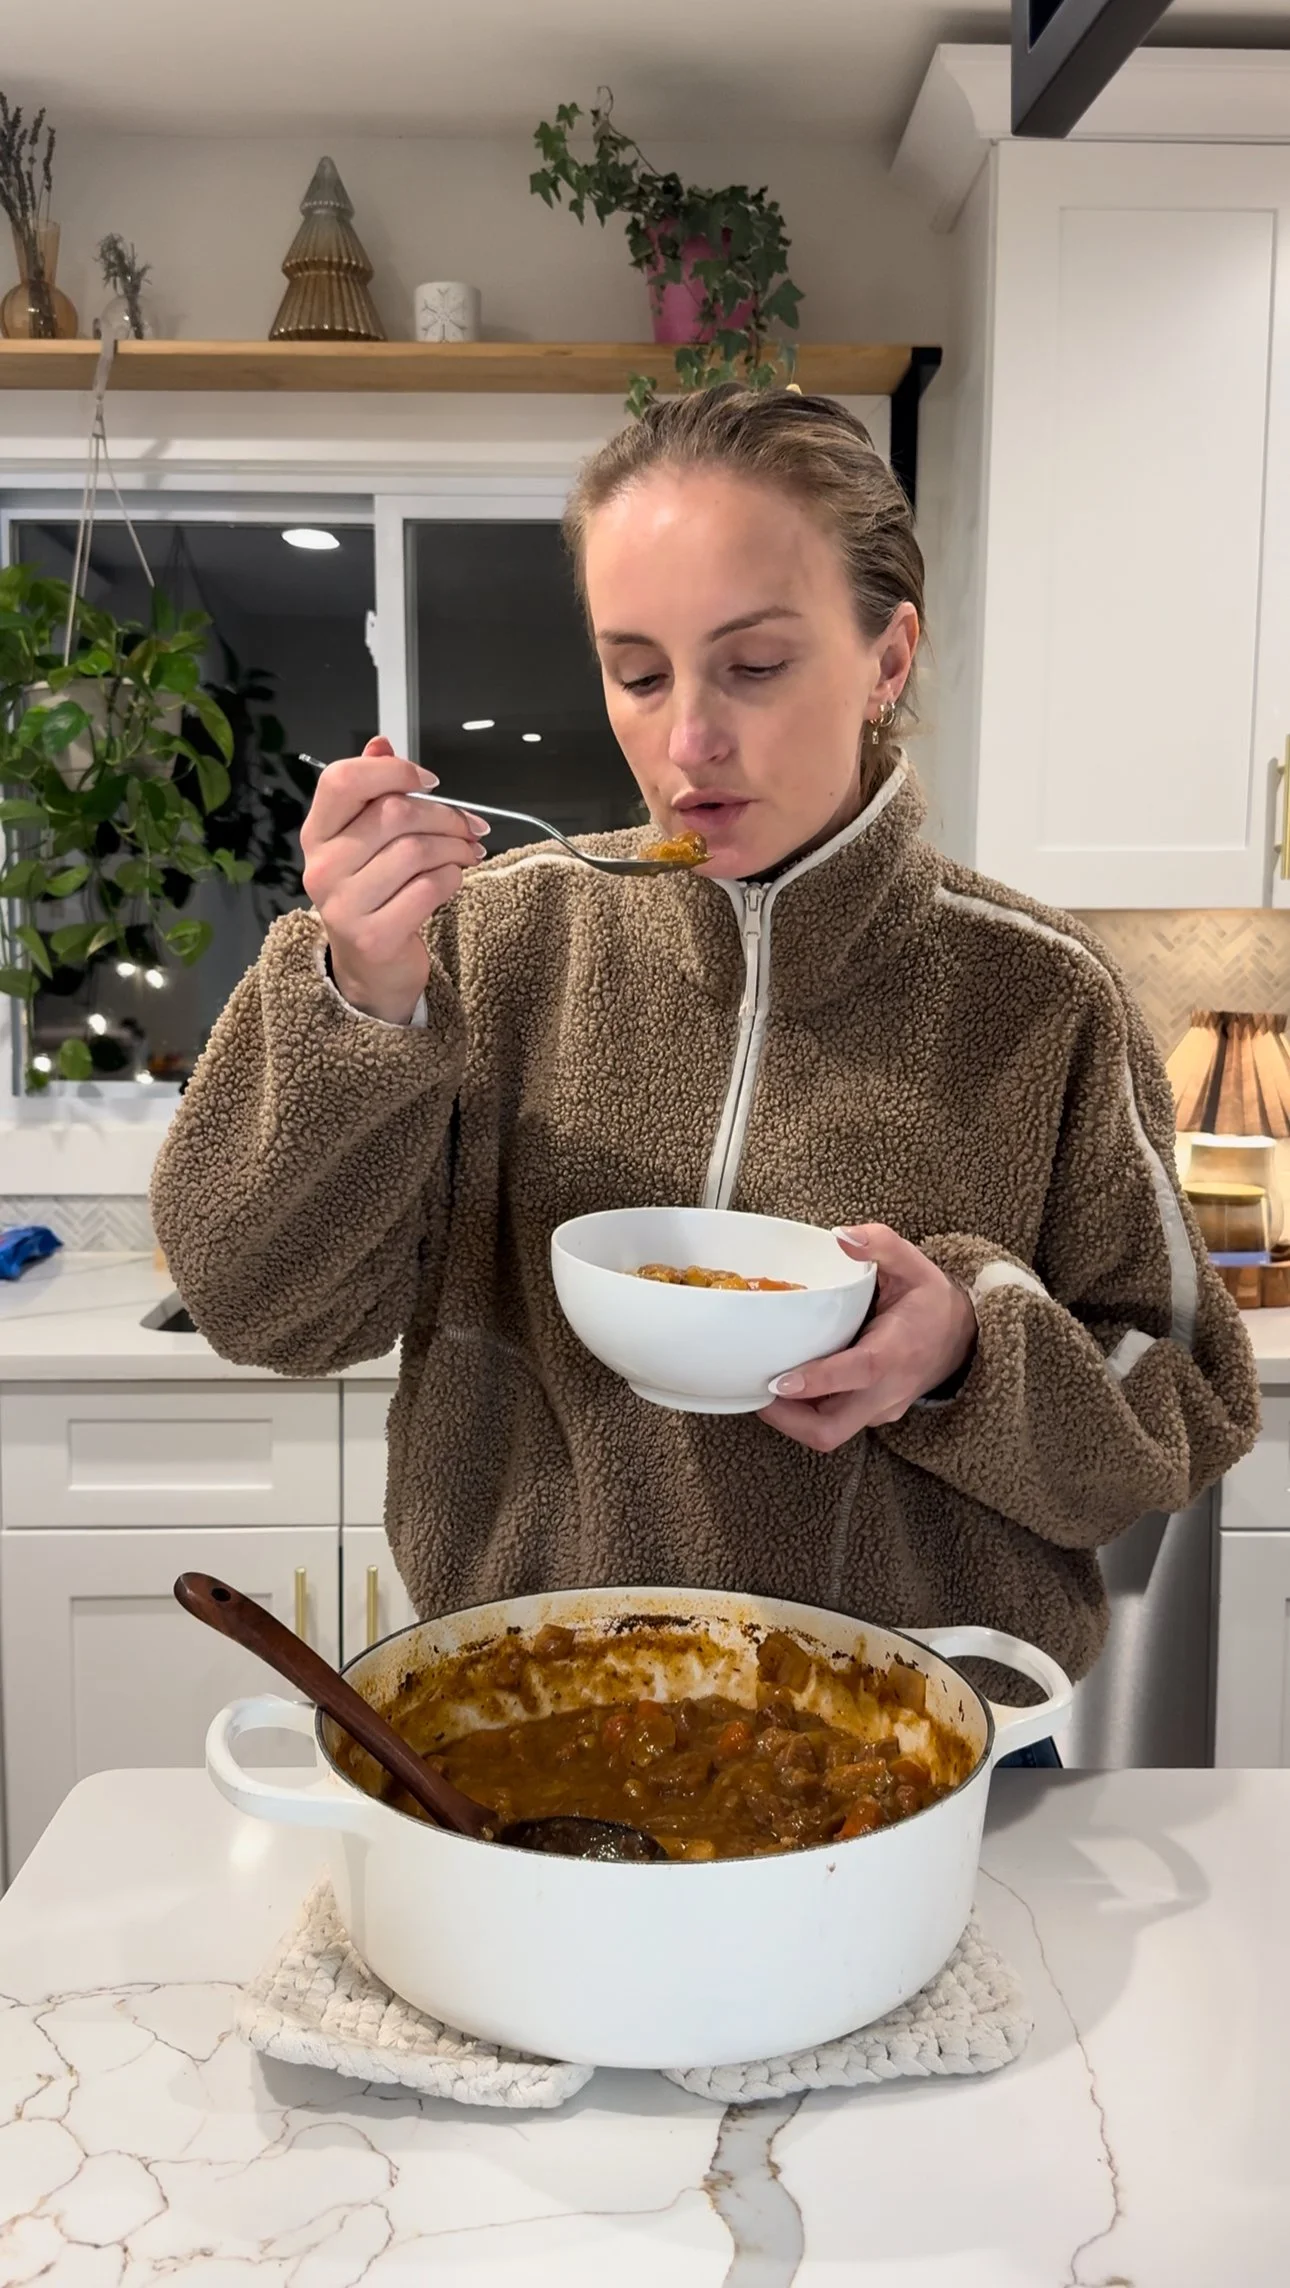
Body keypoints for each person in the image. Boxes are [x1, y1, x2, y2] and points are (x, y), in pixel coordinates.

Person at [150, 386, 1259, 1742]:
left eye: (755, 664)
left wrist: (969, 1349)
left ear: (888, 657)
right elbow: (260, 1310)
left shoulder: (1039, 997)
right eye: (637, 673)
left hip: (909, 1748)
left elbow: (1182, 1413)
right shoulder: (485, 949)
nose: (687, 743)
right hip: (527, 1722)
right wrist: (360, 997)